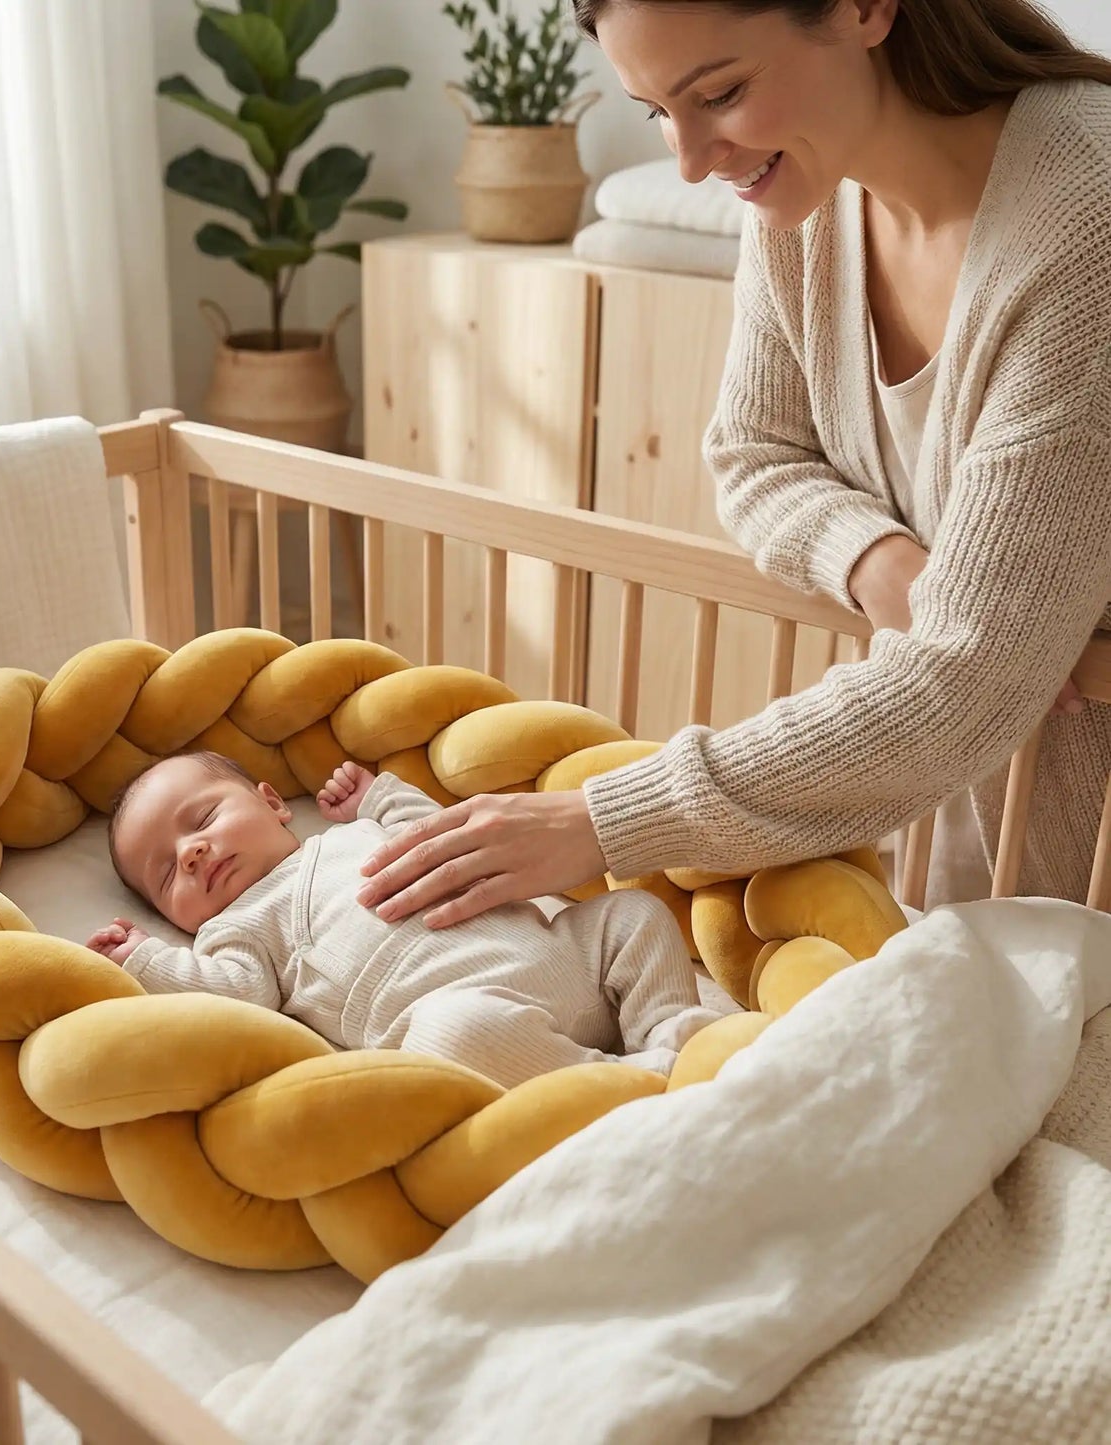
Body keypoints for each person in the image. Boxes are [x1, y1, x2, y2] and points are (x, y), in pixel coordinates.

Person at [355, 0, 1111, 928]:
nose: (689, 158)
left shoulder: (1086, 219)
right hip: (974, 813)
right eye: (655, 111)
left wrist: (602, 820)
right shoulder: (806, 189)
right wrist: (881, 562)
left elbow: (962, 683)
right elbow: (753, 453)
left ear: (865, 9)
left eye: (719, 92)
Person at [84, 751, 718, 1089]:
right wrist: (150, 960)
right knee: (450, 1036)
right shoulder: (237, 931)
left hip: (568, 952)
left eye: (201, 821)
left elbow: (438, 834)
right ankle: (628, 1086)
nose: (191, 853)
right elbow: (235, 995)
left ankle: (670, 1031)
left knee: (632, 913)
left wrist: (380, 798)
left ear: (272, 802)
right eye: (167, 875)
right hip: (475, 1013)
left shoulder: (357, 834)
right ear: (174, 917)